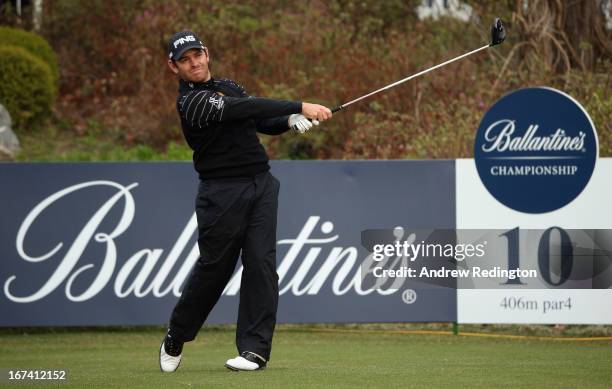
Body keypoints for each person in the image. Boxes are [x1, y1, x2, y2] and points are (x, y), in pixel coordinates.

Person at [159, 30, 332, 373]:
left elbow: (259, 119)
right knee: (215, 270)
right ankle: (177, 333)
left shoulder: (229, 85)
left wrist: (288, 121)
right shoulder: (190, 102)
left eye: (197, 55)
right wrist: (299, 105)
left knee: (261, 265)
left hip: (261, 185)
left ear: (207, 54)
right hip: (221, 193)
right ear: (173, 66)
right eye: (185, 59)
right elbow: (243, 108)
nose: (193, 62)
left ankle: (254, 350)